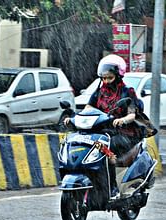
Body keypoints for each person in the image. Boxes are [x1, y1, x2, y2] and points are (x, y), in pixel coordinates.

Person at [65, 54, 153, 198]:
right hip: (102, 132)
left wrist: (122, 120)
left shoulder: (127, 92)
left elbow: (132, 113)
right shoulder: (99, 92)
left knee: (107, 149)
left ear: (118, 76)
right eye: (103, 78)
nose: (106, 81)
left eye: (109, 78)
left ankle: (112, 187)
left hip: (124, 133)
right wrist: (73, 119)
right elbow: (88, 109)